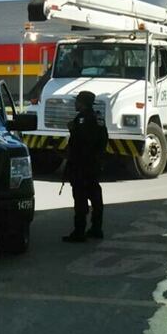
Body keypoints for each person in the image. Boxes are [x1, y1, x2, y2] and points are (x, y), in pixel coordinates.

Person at [62, 91, 108, 243]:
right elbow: (103, 139)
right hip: (95, 164)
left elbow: (81, 142)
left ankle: (79, 231)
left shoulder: (82, 119)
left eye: (77, 102)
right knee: (95, 196)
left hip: (81, 164)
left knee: (80, 198)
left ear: (82, 103)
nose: (75, 104)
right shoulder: (99, 118)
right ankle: (97, 228)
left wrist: (72, 129)